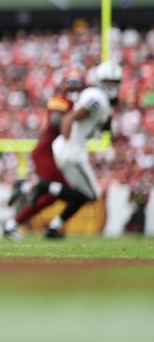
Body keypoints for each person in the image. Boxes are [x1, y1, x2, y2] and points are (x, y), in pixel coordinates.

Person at [44, 61, 121, 239]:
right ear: (100, 81)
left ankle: (54, 226)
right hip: (72, 150)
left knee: (84, 195)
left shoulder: (103, 102)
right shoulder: (97, 99)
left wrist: (111, 112)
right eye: (108, 82)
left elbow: (104, 129)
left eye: (114, 82)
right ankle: (43, 187)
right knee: (92, 193)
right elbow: (68, 119)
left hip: (73, 149)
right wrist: (69, 145)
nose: (111, 86)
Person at [2, 72, 83, 240]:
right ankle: (26, 186)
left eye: (77, 85)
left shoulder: (79, 104)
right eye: (72, 84)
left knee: (49, 199)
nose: (74, 88)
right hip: (47, 152)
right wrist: (76, 116)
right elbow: (56, 122)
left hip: (56, 153)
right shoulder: (61, 101)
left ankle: (13, 224)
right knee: (68, 191)